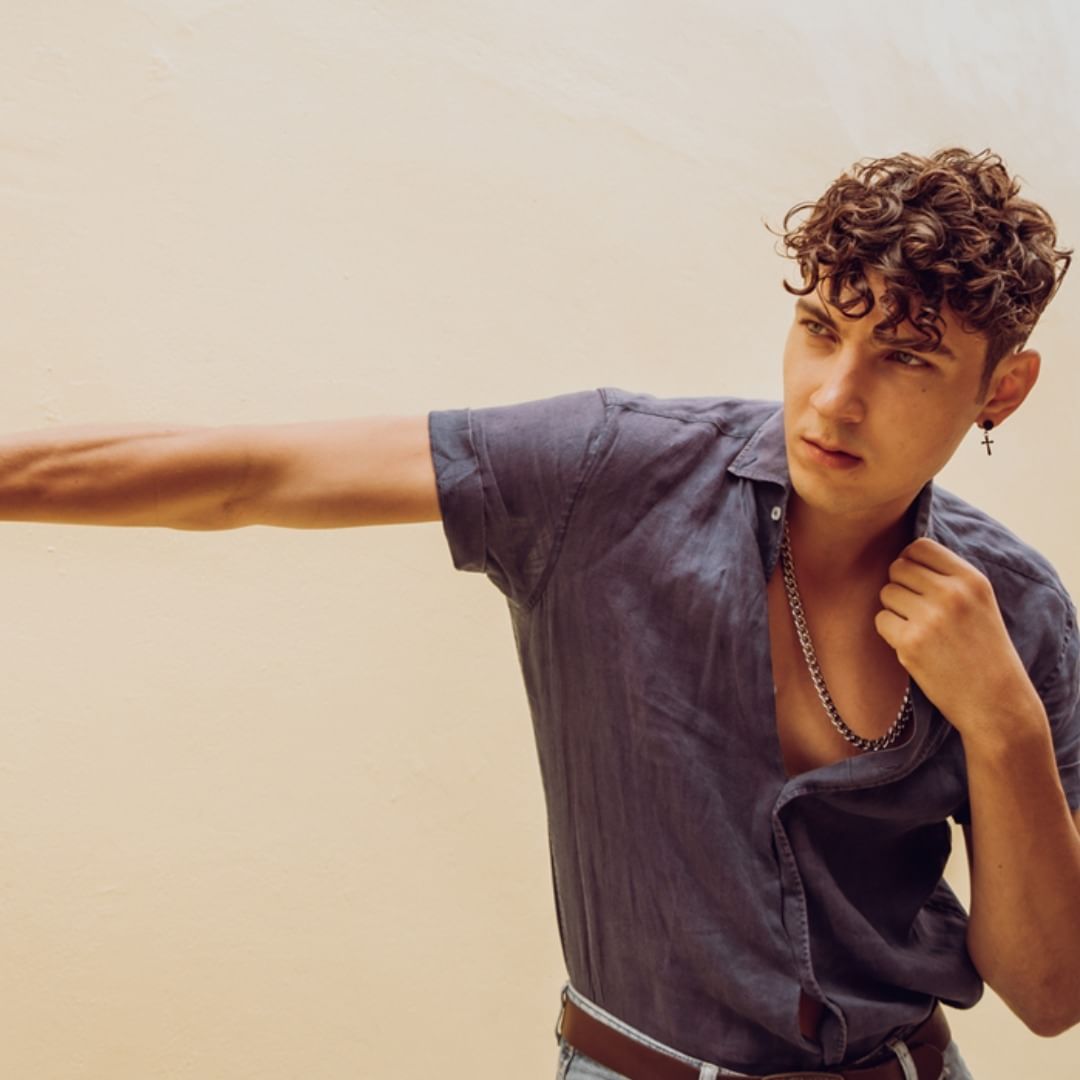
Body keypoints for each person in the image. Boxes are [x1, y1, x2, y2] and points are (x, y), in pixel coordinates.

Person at [2, 147, 1077, 1080]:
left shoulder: (1019, 614)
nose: (835, 396)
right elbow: (252, 474)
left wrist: (1004, 724)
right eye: (819, 328)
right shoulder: (610, 474)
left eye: (905, 357)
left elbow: (1048, 992)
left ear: (1003, 388)